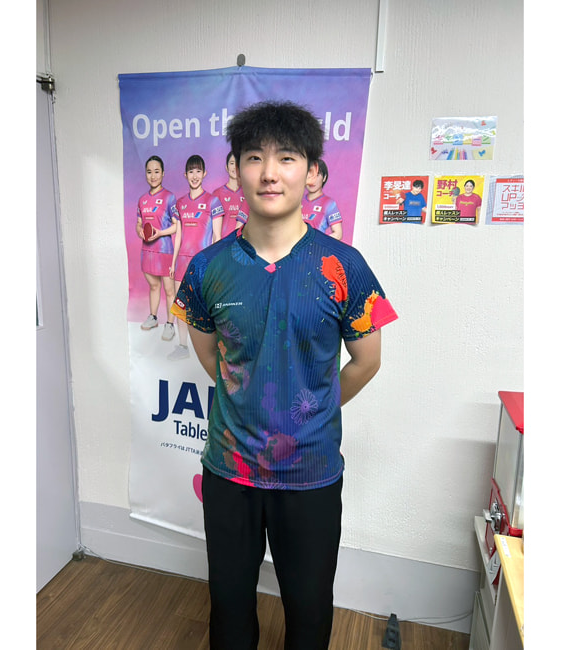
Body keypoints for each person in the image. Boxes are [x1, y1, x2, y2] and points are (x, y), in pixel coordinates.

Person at [170, 100, 398, 649]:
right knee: (228, 607)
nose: (269, 173)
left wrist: (312, 409)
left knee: (310, 607)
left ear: (312, 172)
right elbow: (211, 357)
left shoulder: (344, 266)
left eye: (287, 158)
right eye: (254, 158)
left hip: (311, 473)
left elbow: (368, 361)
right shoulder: (206, 267)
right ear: (235, 170)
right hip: (230, 471)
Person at [168, 155, 225, 361]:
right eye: (191, 171)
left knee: (206, 307)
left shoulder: (213, 201)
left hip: (202, 265)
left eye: (198, 171)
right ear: (185, 175)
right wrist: (173, 263)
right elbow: (178, 236)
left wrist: (214, 265)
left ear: (204, 173)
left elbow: (217, 237)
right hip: (182, 262)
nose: (194, 175)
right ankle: (183, 347)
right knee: (181, 307)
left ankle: (212, 349)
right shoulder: (180, 203)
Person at [136, 155, 180, 340]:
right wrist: (140, 231)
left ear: (163, 173)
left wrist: (160, 233)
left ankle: (170, 324)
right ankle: (153, 317)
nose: (153, 176)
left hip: (165, 251)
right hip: (147, 252)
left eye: (156, 171)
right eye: (149, 172)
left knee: (169, 290)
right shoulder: (142, 200)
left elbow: (176, 226)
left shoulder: (169, 197)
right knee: (154, 286)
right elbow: (139, 224)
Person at [301, 158, 343, 239]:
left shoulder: (329, 204)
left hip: (314, 247)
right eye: (309, 175)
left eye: (317, 175)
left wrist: (318, 243)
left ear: (324, 178)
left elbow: (338, 234)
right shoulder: (297, 202)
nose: (312, 180)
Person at [212, 151, 249, 238]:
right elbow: (214, 230)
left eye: (237, 163)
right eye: (232, 163)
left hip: (243, 242)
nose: (235, 166)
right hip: (224, 243)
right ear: (227, 167)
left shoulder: (248, 193)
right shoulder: (217, 194)